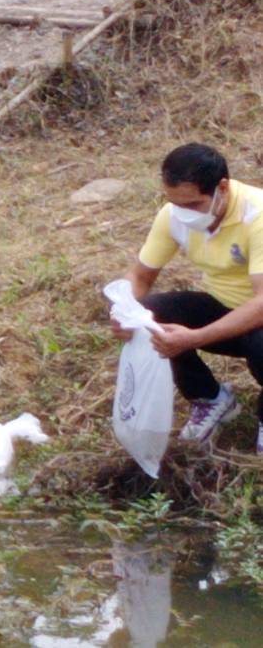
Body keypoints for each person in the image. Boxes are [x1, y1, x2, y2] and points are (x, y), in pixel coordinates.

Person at [111, 143, 263, 449]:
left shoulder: (256, 216)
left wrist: (195, 337)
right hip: (224, 307)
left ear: (222, 188)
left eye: (193, 204)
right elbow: (140, 276)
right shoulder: (173, 216)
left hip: (258, 315)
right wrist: (124, 310)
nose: (184, 213)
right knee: (150, 316)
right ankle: (210, 398)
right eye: (175, 203)